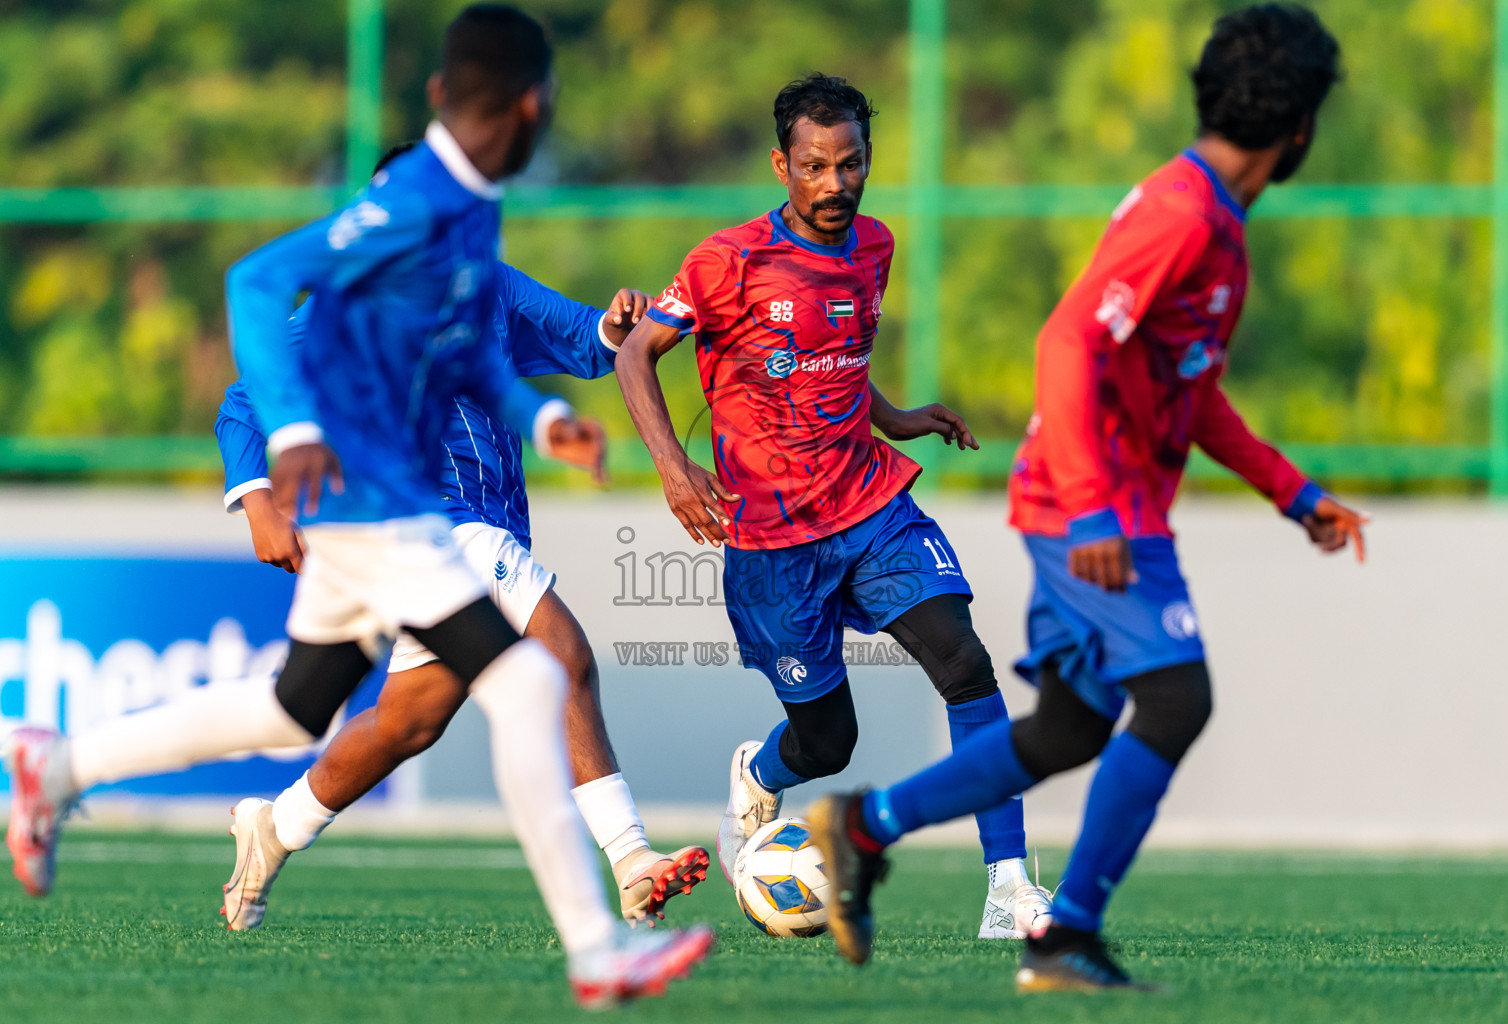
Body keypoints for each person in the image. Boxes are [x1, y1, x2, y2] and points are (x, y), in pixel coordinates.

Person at [7, 4, 710, 1008]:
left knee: (301, 708)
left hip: (392, 520)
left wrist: (545, 416)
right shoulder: (410, 206)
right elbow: (256, 283)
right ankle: (603, 934)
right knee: (533, 679)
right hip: (393, 509)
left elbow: (479, 356)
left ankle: (60, 765)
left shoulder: (466, 229)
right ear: (536, 104)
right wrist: (272, 462)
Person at [808, 2, 1363, 991]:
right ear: (1302, 124)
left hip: (1093, 502)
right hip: (1093, 508)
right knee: (1178, 695)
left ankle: (864, 825)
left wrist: (1295, 491)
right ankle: (1065, 934)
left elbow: (1190, 393)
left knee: (1068, 726)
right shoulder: (1183, 214)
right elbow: (1067, 341)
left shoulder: (1214, 225)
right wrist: (1096, 508)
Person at [212, 144, 707, 932]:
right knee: (562, 654)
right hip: (435, 525)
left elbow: (584, 342)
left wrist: (616, 325)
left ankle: (274, 828)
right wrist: (260, 501)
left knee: (410, 721)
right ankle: (630, 859)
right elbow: (244, 402)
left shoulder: (493, 288)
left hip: (473, 537)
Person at [613, 73, 1048, 939]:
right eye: (814, 167)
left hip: (870, 504)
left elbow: (836, 358)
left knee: (965, 666)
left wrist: (898, 417)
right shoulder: (726, 261)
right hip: (773, 542)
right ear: (783, 165)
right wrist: (671, 466)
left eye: (850, 165)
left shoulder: (874, 247)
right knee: (827, 745)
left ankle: (1010, 890)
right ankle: (761, 771)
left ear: (867, 161)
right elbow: (635, 353)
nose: (834, 185)